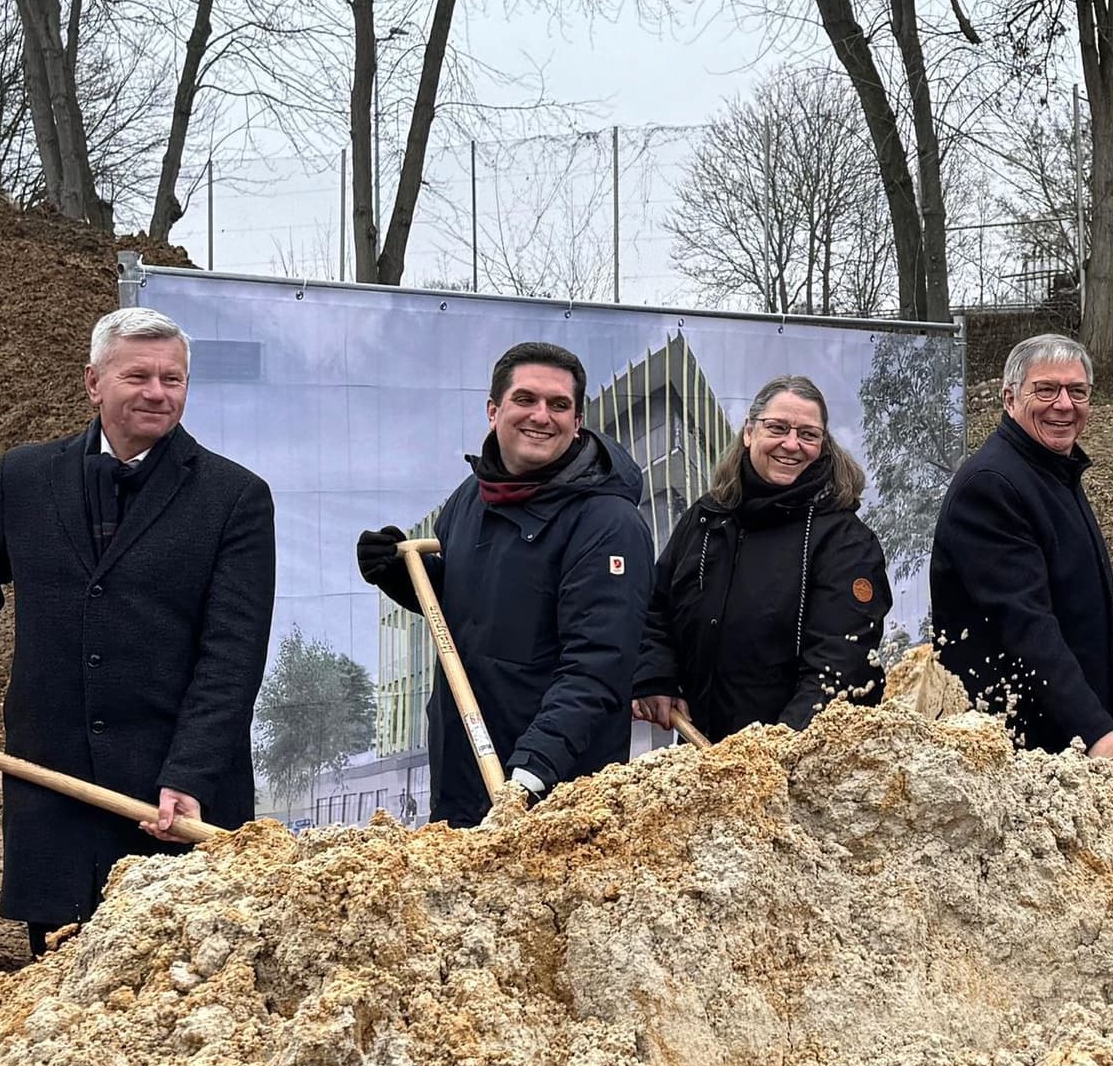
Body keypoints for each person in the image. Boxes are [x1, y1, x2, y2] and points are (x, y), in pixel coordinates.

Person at [0, 310, 276, 943]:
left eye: (173, 378)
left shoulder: (235, 498)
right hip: (54, 788)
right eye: (137, 376)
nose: (157, 392)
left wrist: (189, 773)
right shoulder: (25, 477)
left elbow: (234, 654)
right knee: (57, 975)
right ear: (94, 383)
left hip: (169, 799)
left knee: (179, 981)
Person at [356, 343, 654, 827]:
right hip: (464, 771)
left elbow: (598, 663)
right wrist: (401, 574)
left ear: (578, 422)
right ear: (493, 410)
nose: (542, 416)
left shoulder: (608, 522)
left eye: (559, 405)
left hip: (551, 792)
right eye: (525, 399)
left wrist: (531, 772)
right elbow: (469, 604)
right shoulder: (470, 498)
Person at [630, 375, 892, 741]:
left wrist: (776, 750)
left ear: (823, 445)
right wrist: (657, 674)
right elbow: (657, 610)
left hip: (794, 757)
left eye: (808, 434)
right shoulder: (705, 520)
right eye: (778, 428)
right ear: (749, 432)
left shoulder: (845, 541)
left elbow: (840, 664)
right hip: (704, 752)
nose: (792, 444)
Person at [931, 336, 1113, 760]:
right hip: (1016, 746)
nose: (1064, 405)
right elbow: (1024, 625)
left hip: (1058, 730)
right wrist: (1093, 730)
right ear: (1009, 398)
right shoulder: (992, 486)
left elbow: (1066, 598)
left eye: (1077, 391)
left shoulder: (1053, 471)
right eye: (1046, 390)